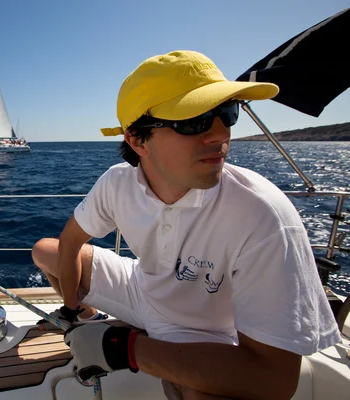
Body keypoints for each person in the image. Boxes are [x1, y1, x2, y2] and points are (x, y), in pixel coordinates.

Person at [31, 50, 341, 399]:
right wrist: (73, 311)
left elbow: (275, 380)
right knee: (45, 251)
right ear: (137, 139)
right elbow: (71, 241)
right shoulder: (117, 183)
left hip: (205, 333)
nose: (220, 134)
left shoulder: (263, 215)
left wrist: (127, 348)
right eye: (193, 120)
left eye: (227, 113)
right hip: (140, 291)